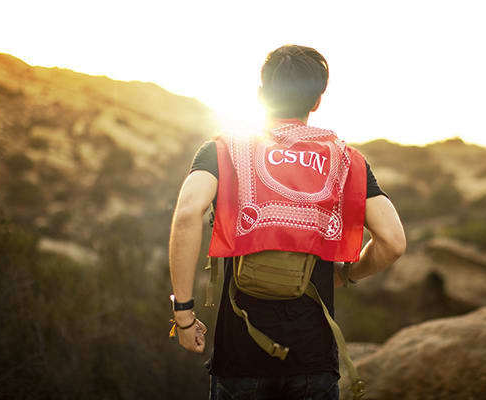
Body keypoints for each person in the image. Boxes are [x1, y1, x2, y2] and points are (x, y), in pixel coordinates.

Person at [169, 44, 406, 399]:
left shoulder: (223, 149)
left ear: (262, 94)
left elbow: (187, 213)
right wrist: (347, 274)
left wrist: (184, 315)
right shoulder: (346, 161)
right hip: (313, 361)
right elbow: (393, 242)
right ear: (316, 101)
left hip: (240, 358)